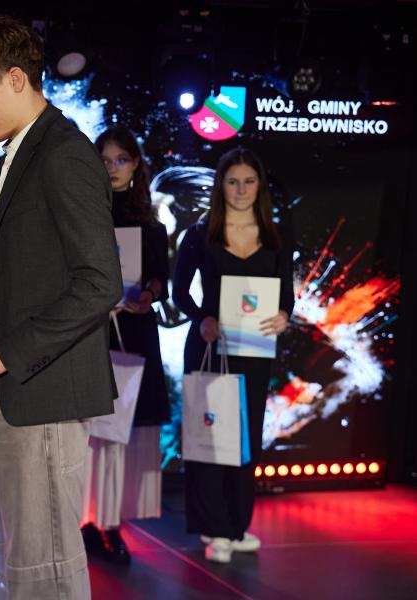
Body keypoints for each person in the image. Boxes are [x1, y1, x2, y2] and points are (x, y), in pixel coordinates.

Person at [0, 15, 123, 599]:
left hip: (40, 393)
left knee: (43, 570)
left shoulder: (63, 154)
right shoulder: (20, 153)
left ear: (15, 78)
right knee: (14, 559)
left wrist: (7, 351)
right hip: (10, 391)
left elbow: (101, 283)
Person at [172, 147, 294, 564]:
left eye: (249, 181)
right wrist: (203, 318)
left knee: (245, 440)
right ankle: (214, 527)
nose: (241, 190)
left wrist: (283, 316)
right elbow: (179, 293)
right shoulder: (200, 233)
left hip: (254, 350)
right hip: (210, 348)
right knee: (211, 438)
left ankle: (237, 525)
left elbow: (286, 294)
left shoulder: (276, 234)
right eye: (232, 181)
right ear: (220, 186)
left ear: (259, 186)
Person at [81, 127, 171, 564]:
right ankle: (80, 521)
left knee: (117, 435)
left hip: (131, 333)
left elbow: (160, 279)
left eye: (121, 160)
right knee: (84, 433)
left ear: (135, 164)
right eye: (105, 160)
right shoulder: (82, 214)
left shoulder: (150, 225)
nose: (113, 168)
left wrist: (147, 295)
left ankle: (110, 523)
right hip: (86, 331)